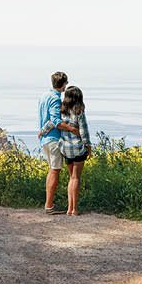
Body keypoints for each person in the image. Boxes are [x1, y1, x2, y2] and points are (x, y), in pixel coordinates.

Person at [56, 86, 91, 215]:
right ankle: (74, 209)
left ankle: (69, 209)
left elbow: (54, 123)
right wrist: (88, 147)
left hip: (66, 149)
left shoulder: (62, 112)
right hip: (77, 148)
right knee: (76, 178)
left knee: (71, 178)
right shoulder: (79, 112)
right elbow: (84, 131)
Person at [37, 71, 68, 214]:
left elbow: (46, 119)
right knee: (55, 170)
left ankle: (49, 204)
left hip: (45, 139)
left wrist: (42, 131)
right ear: (63, 85)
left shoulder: (44, 96)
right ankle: (49, 205)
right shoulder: (56, 99)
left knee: (51, 170)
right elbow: (55, 121)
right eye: (66, 84)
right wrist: (73, 129)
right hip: (53, 139)